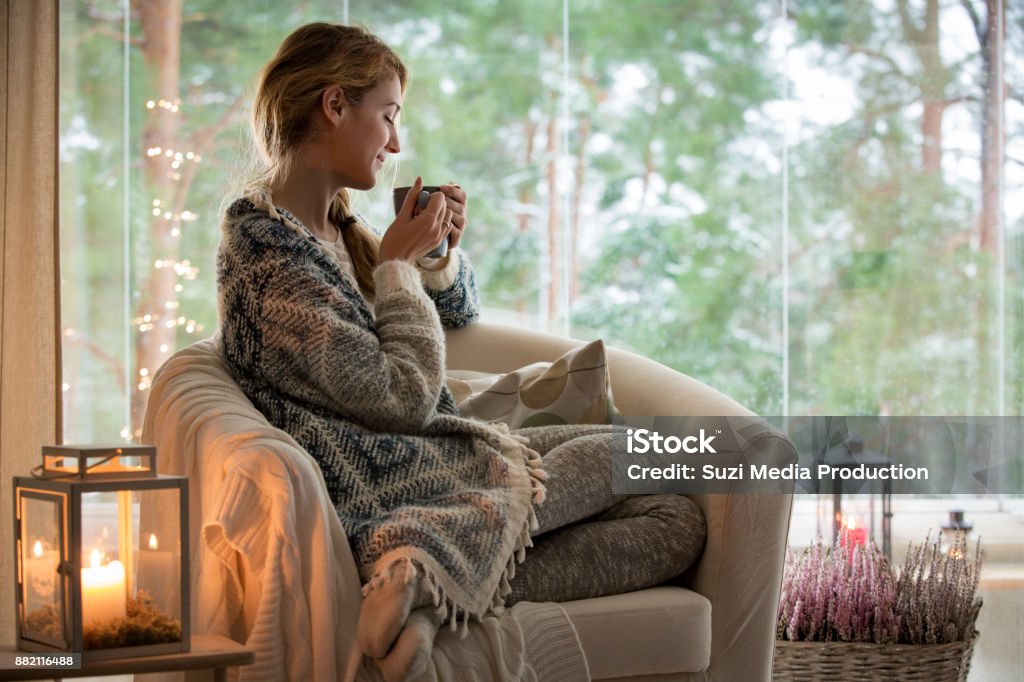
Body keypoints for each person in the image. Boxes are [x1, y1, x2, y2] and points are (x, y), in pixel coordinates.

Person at [216, 22, 705, 682]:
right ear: (335, 106)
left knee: (674, 519)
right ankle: (418, 559)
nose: (394, 142)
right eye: (387, 116)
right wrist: (394, 269)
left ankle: (425, 594)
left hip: (435, 461)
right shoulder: (269, 259)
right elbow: (401, 400)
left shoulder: (334, 225)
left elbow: (455, 315)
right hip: (384, 483)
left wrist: (435, 259)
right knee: (636, 453)